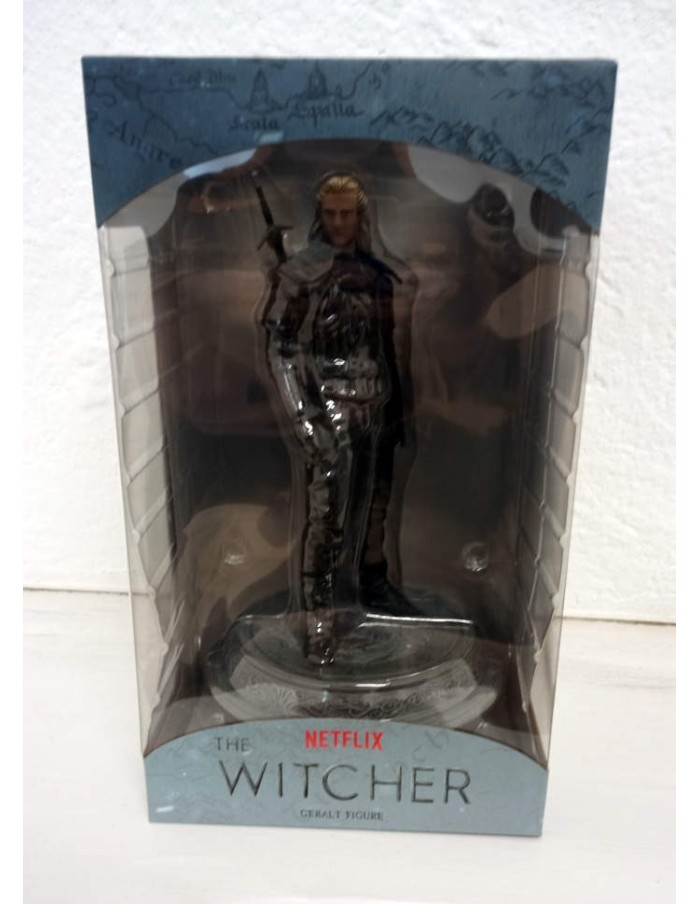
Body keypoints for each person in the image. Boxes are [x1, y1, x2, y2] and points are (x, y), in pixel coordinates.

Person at [261, 172, 409, 665]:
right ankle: (319, 622)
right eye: (331, 214)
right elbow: (281, 348)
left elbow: (386, 346)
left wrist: (397, 409)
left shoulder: (374, 272)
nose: (340, 223)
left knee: (372, 511)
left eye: (348, 214)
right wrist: (306, 419)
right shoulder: (300, 274)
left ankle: (366, 596)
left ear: (360, 215)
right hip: (328, 408)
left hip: (374, 405)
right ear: (320, 217)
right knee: (328, 521)